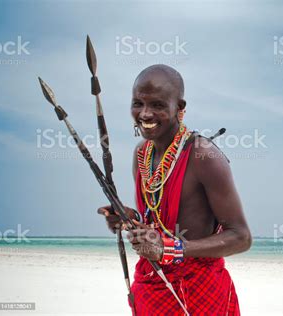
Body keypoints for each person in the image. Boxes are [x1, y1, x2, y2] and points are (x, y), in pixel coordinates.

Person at [97, 64, 252, 315]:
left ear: (180, 108)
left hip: (199, 293)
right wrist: (129, 219)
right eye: (138, 103)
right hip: (151, 288)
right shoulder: (142, 154)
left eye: (157, 105)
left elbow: (241, 237)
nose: (145, 114)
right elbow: (155, 219)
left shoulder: (203, 155)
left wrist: (170, 249)